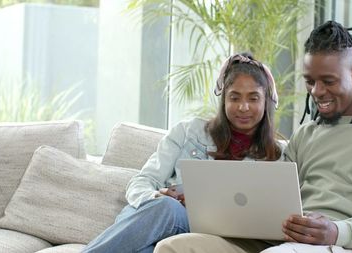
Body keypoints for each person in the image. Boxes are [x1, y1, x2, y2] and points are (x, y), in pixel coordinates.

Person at [153, 20, 352, 253]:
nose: (317, 92)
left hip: (339, 245)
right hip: (280, 240)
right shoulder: (307, 133)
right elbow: (269, 194)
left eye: (328, 81)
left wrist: (337, 231)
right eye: (310, 81)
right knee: (174, 247)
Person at [82, 52, 283, 253]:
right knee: (164, 211)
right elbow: (141, 181)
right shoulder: (188, 132)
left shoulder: (277, 155)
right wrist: (156, 196)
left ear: (266, 102)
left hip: (202, 236)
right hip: (157, 218)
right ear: (223, 101)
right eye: (234, 97)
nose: (243, 107)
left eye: (253, 98)